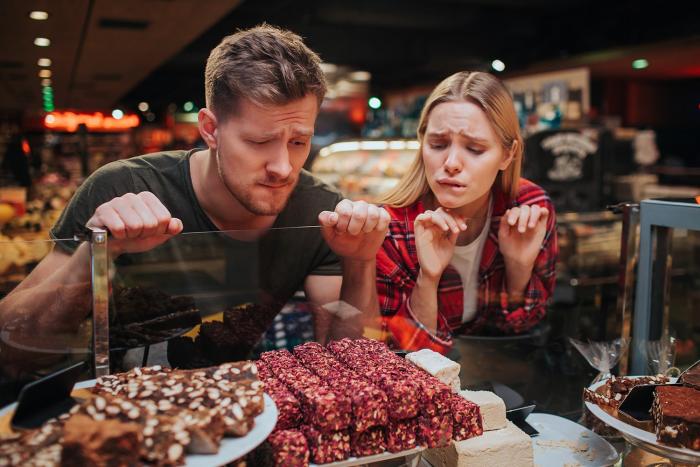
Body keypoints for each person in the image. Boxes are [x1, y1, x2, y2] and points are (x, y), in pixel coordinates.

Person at [0, 25, 389, 376]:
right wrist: (97, 252)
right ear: (210, 129)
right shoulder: (121, 187)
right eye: (258, 142)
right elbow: (12, 353)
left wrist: (359, 261)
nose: (282, 167)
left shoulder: (318, 208)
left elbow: (348, 368)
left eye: (299, 142)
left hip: (238, 420)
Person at [375, 71, 557, 354]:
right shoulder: (391, 225)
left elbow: (522, 332)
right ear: (422, 142)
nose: (450, 163)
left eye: (474, 148)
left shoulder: (530, 206)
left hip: (496, 378)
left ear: (508, 155)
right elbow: (396, 355)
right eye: (437, 144)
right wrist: (428, 279)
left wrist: (518, 269)